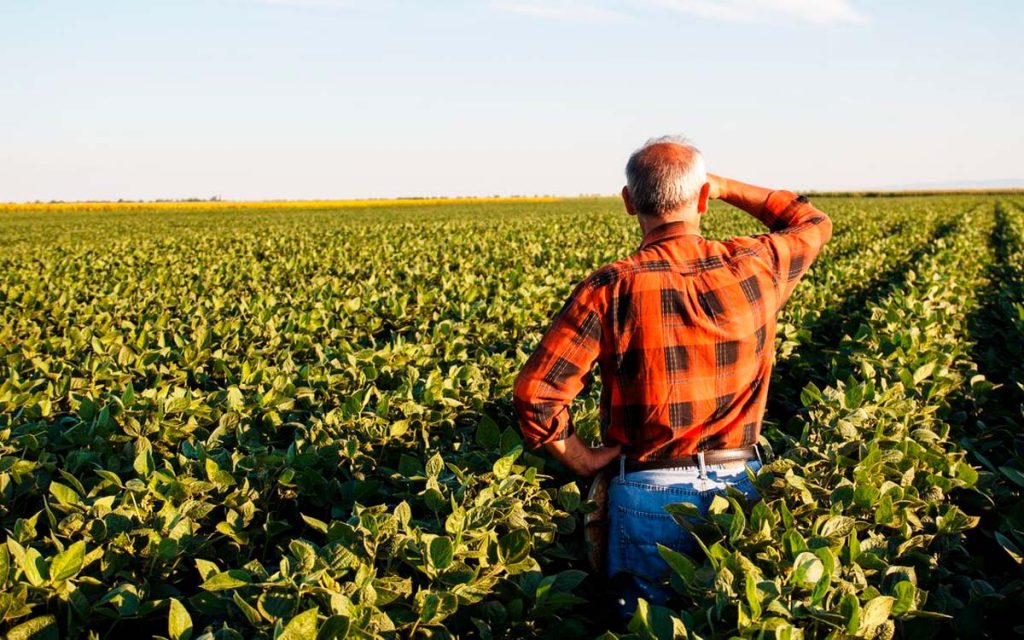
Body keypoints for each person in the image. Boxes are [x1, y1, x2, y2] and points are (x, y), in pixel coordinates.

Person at [511, 135, 832, 619]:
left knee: (648, 627)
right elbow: (811, 222)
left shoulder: (611, 285)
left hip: (646, 491)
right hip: (740, 489)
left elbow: (537, 395)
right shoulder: (756, 264)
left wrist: (579, 459)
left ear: (628, 202)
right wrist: (723, 185)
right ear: (703, 198)